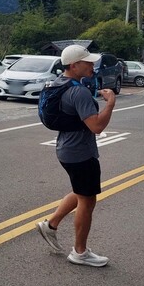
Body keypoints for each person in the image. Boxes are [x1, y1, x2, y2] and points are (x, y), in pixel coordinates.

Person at [36, 44, 116, 267]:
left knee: (81, 192)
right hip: (79, 153)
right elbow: (96, 126)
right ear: (74, 65)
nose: (92, 65)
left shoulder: (59, 83)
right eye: (87, 62)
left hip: (67, 149)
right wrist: (110, 103)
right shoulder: (77, 91)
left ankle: (50, 224)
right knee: (88, 200)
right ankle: (80, 252)